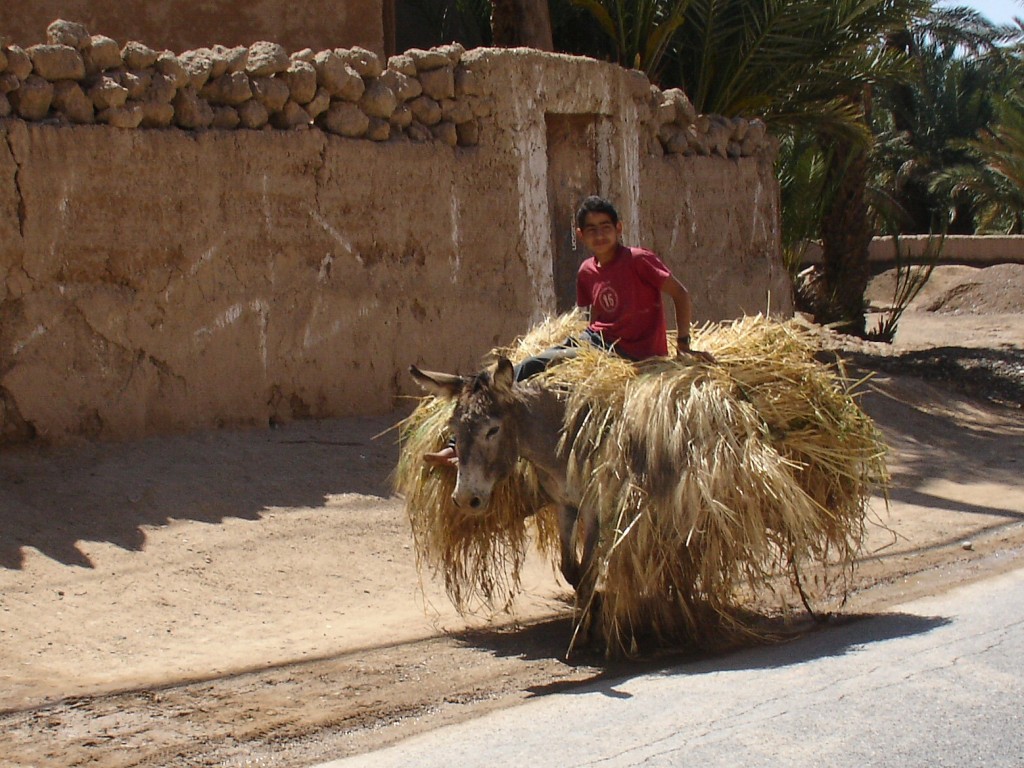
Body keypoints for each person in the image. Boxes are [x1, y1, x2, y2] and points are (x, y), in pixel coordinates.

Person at [424, 195, 708, 466]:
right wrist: (583, 345)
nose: (600, 235)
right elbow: (596, 316)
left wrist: (683, 344)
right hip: (596, 342)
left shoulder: (638, 260)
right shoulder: (586, 270)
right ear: (580, 235)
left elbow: (680, 294)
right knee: (528, 370)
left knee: (535, 367)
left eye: (606, 228)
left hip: (631, 354)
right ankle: (456, 444)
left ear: (619, 229)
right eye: (591, 230)